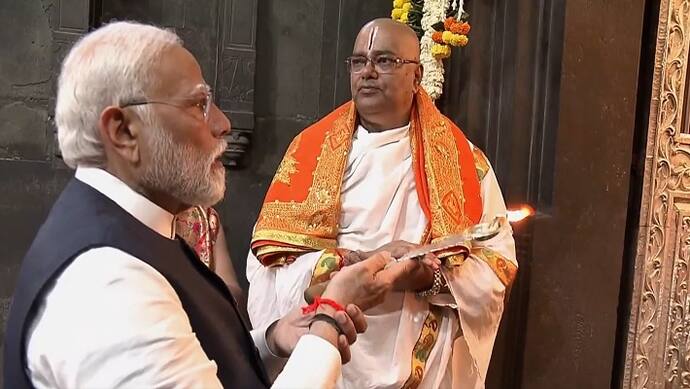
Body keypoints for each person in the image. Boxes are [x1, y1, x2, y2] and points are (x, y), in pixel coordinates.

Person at [2, 21, 407, 389]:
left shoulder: (141, 228)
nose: (222, 124)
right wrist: (328, 320)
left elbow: (185, 352)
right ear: (123, 131)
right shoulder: (107, 282)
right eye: (198, 105)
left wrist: (270, 341)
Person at [247, 18, 518, 388]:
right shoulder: (308, 152)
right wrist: (347, 265)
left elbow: (496, 266)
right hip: (325, 353)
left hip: (420, 363)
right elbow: (267, 268)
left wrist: (428, 277)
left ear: (417, 75)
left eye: (386, 61)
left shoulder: (464, 163)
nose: (368, 72)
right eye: (359, 62)